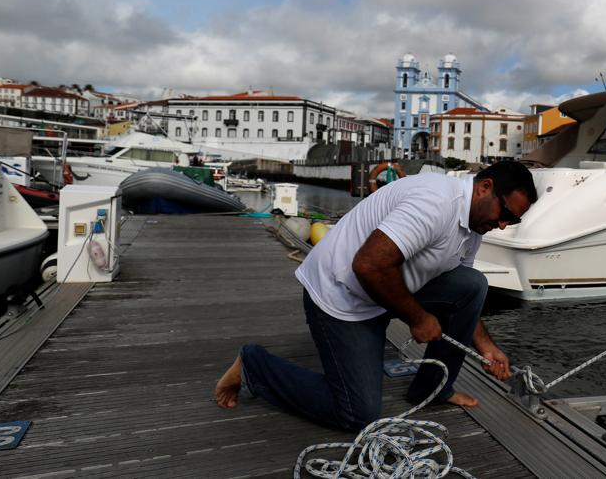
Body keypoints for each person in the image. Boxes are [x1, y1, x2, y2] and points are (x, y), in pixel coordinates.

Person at [213, 160, 538, 430]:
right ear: (485, 188)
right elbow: (367, 265)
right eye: (506, 214)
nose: (505, 225)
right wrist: (418, 317)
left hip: (386, 288)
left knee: (472, 284)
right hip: (341, 296)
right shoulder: (436, 203)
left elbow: (459, 286)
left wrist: (486, 347)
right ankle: (254, 366)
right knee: (358, 413)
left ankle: (434, 387)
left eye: (514, 221)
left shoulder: (475, 223)